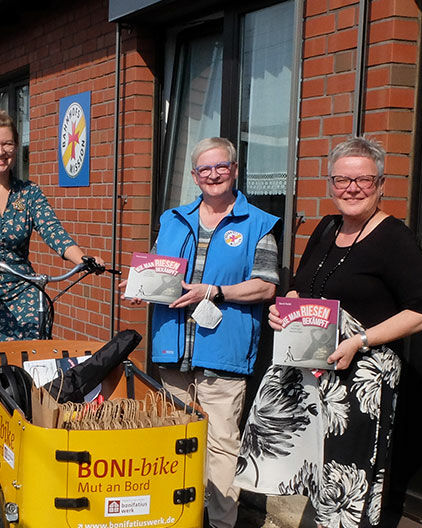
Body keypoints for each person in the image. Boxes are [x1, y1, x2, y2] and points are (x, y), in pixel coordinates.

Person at [235, 136, 422, 528]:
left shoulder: (394, 237)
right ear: (330, 185)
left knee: (349, 476)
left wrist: (360, 340)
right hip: (315, 373)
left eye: (364, 180)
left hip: (361, 380)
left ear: (381, 184)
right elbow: (302, 288)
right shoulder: (327, 227)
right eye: (342, 180)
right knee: (316, 470)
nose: (352, 189)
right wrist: (285, 310)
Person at [129, 137, 280, 528]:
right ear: (194, 175)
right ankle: (178, 517)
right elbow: (160, 272)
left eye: (221, 167)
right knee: (174, 441)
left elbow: (266, 286)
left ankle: (221, 524)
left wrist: (216, 291)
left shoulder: (258, 224)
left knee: (221, 447)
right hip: (172, 354)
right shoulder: (173, 219)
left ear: (234, 169)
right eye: (204, 169)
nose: (213, 175)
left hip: (223, 354)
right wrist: (141, 290)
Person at [0, 109, 91, 465]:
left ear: (17, 147)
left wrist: (81, 258)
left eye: (8, 144)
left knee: (32, 361)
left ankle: (17, 431)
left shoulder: (29, 193)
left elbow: (53, 230)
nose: (0, 152)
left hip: (22, 288)